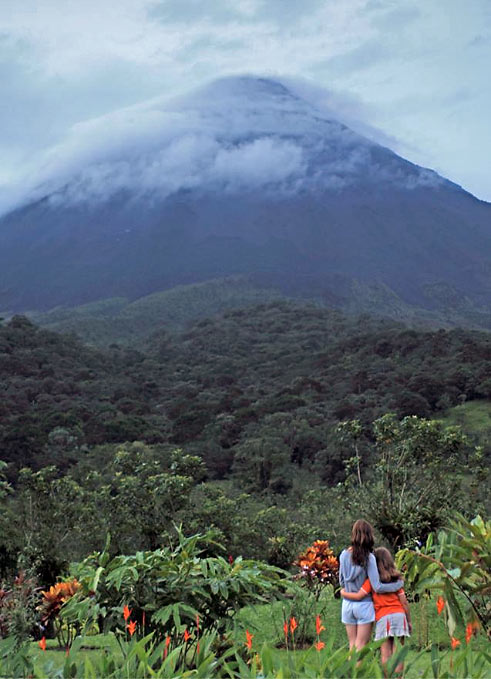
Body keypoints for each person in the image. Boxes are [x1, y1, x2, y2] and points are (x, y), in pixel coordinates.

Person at [341, 546, 412, 675]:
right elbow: (404, 603)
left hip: (383, 618)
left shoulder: (371, 582)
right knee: (398, 652)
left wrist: (343, 593)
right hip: (399, 617)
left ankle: (386, 676)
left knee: (385, 654)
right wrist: (409, 621)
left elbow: (359, 596)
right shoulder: (396, 580)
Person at [339, 520, 403, 651]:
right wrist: (397, 586)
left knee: (352, 643)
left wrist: (345, 592)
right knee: (361, 644)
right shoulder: (369, 557)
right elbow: (377, 586)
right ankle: (359, 671)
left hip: (347, 605)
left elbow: (341, 582)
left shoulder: (343, 555)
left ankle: (352, 671)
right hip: (363, 605)